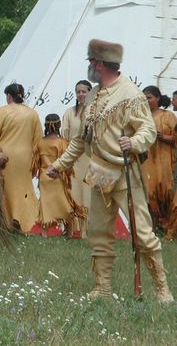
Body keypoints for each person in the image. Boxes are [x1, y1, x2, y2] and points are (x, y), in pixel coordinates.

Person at [47, 39, 173, 303]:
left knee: (142, 233)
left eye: (92, 62)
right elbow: (81, 140)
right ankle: (102, 288)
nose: (91, 67)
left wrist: (134, 142)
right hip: (100, 173)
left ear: (100, 64)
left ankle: (163, 290)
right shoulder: (93, 95)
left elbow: (148, 130)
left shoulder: (131, 94)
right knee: (98, 233)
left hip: (126, 174)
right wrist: (60, 165)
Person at [0, 83, 41, 233]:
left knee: (4, 190)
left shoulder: (0, 112)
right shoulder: (32, 114)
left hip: (3, 156)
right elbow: (38, 140)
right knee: (23, 189)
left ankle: (4, 221)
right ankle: (26, 222)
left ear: (9, 96)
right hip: (25, 156)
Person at [32, 114, 84, 236]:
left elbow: (35, 163)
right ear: (59, 125)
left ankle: (45, 233)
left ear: (46, 125)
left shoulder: (40, 143)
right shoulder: (63, 143)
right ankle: (69, 232)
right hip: (59, 177)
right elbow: (68, 162)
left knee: (46, 205)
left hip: (45, 177)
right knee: (65, 204)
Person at [141, 86, 177, 232]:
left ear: (157, 98)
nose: (146, 100)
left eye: (149, 97)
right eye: (144, 98)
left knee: (166, 190)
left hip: (165, 160)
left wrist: (161, 137)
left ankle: (168, 226)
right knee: (149, 193)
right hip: (147, 160)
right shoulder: (141, 117)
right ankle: (152, 227)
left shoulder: (167, 116)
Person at [61, 80, 93, 238]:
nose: (81, 94)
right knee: (73, 192)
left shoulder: (96, 112)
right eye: (78, 92)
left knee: (88, 192)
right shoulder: (69, 113)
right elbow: (65, 136)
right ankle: (72, 230)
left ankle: (87, 231)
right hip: (73, 158)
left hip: (90, 158)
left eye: (84, 91)